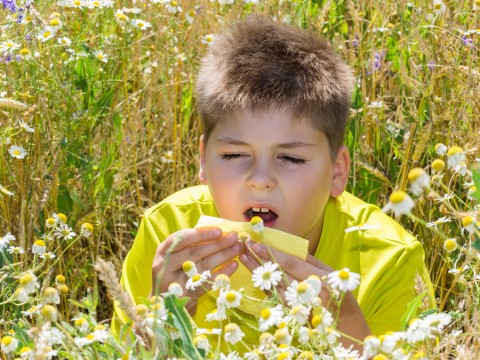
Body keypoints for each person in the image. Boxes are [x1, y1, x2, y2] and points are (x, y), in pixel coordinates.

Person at [113, 15, 434, 352]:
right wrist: (160, 322)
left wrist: (347, 327)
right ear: (203, 161)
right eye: (235, 155)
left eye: (291, 158)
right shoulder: (168, 232)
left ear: (337, 172)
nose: (260, 180)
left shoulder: (389, 261)